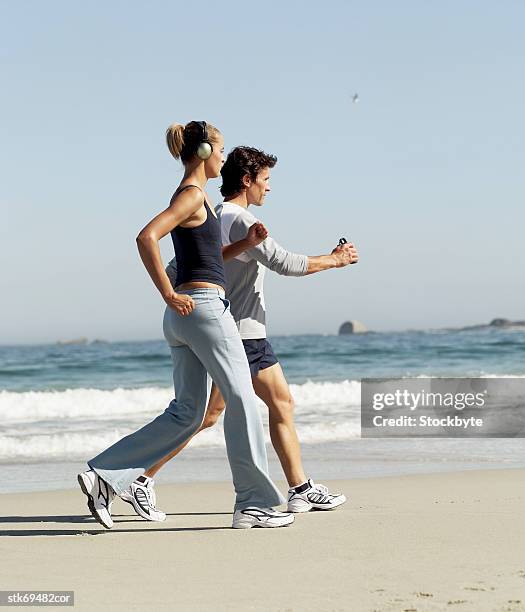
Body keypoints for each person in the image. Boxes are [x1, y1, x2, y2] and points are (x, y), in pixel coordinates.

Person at [121, 146, 358, 519]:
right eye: (265, 180)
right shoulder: (235, 217)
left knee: (276, 404)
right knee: (207, 414)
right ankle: (139, 478)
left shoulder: (216, 215)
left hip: (241, 330)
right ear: (246, 180)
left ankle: (300, 488)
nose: (269, 188)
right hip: (239, 332)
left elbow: (174, 268)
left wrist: (191, 296)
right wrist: (336, 259)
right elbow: (286, 263)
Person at [77, 122, 295, 530]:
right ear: (204, 152)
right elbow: (147, 237)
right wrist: (167, 293)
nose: (225, 159)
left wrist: (245, 245)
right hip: (203, 309)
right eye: (222, 150)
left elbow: (208, 255)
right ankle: (254, 503)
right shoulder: (193, 195)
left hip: (188, 316)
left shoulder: (200, 201)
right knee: (243, 398)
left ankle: (105, 475)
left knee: (188, 413)